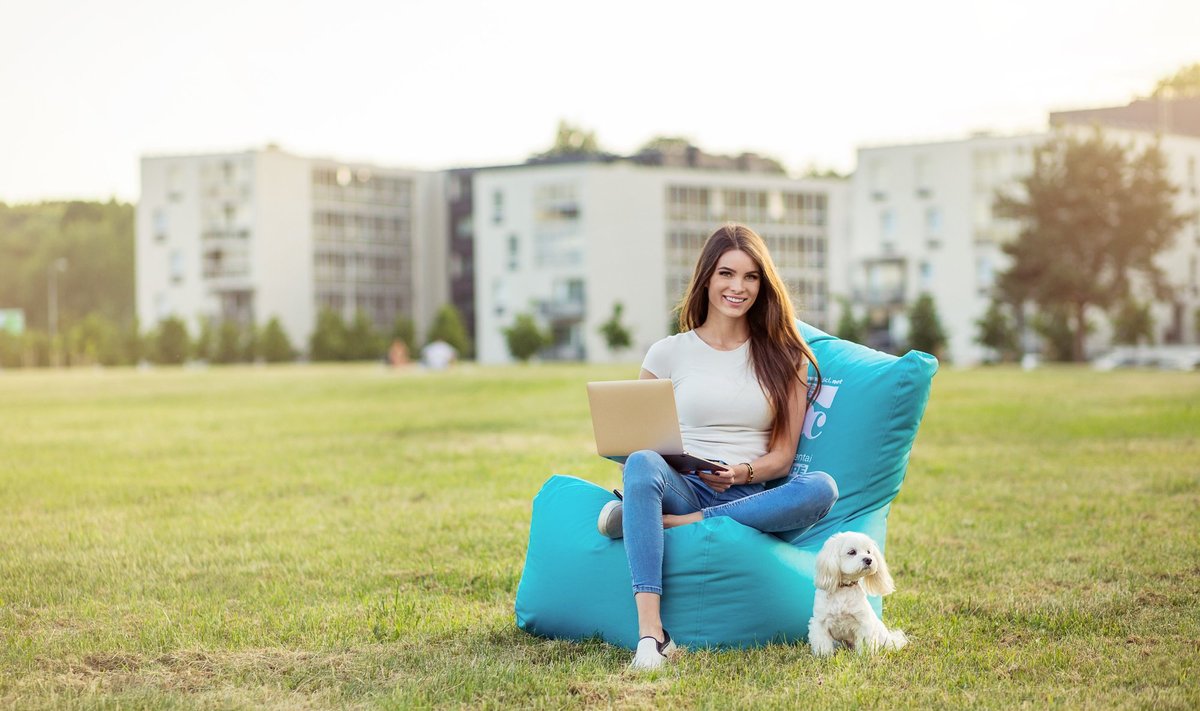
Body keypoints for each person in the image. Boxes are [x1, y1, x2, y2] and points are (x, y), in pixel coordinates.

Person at [598, 223, 839, 671]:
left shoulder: (784, 355)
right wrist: (642, 462)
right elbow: (636, 444)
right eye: (727, 273)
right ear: (706, 278)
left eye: (751, 277)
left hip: (751, 493)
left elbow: (783, 457)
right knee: (643, 461)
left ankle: (665, 523)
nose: (738, 287)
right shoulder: (667, 353)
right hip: (684, 484)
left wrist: (743, 471)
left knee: (822, 487)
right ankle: (652, 635)